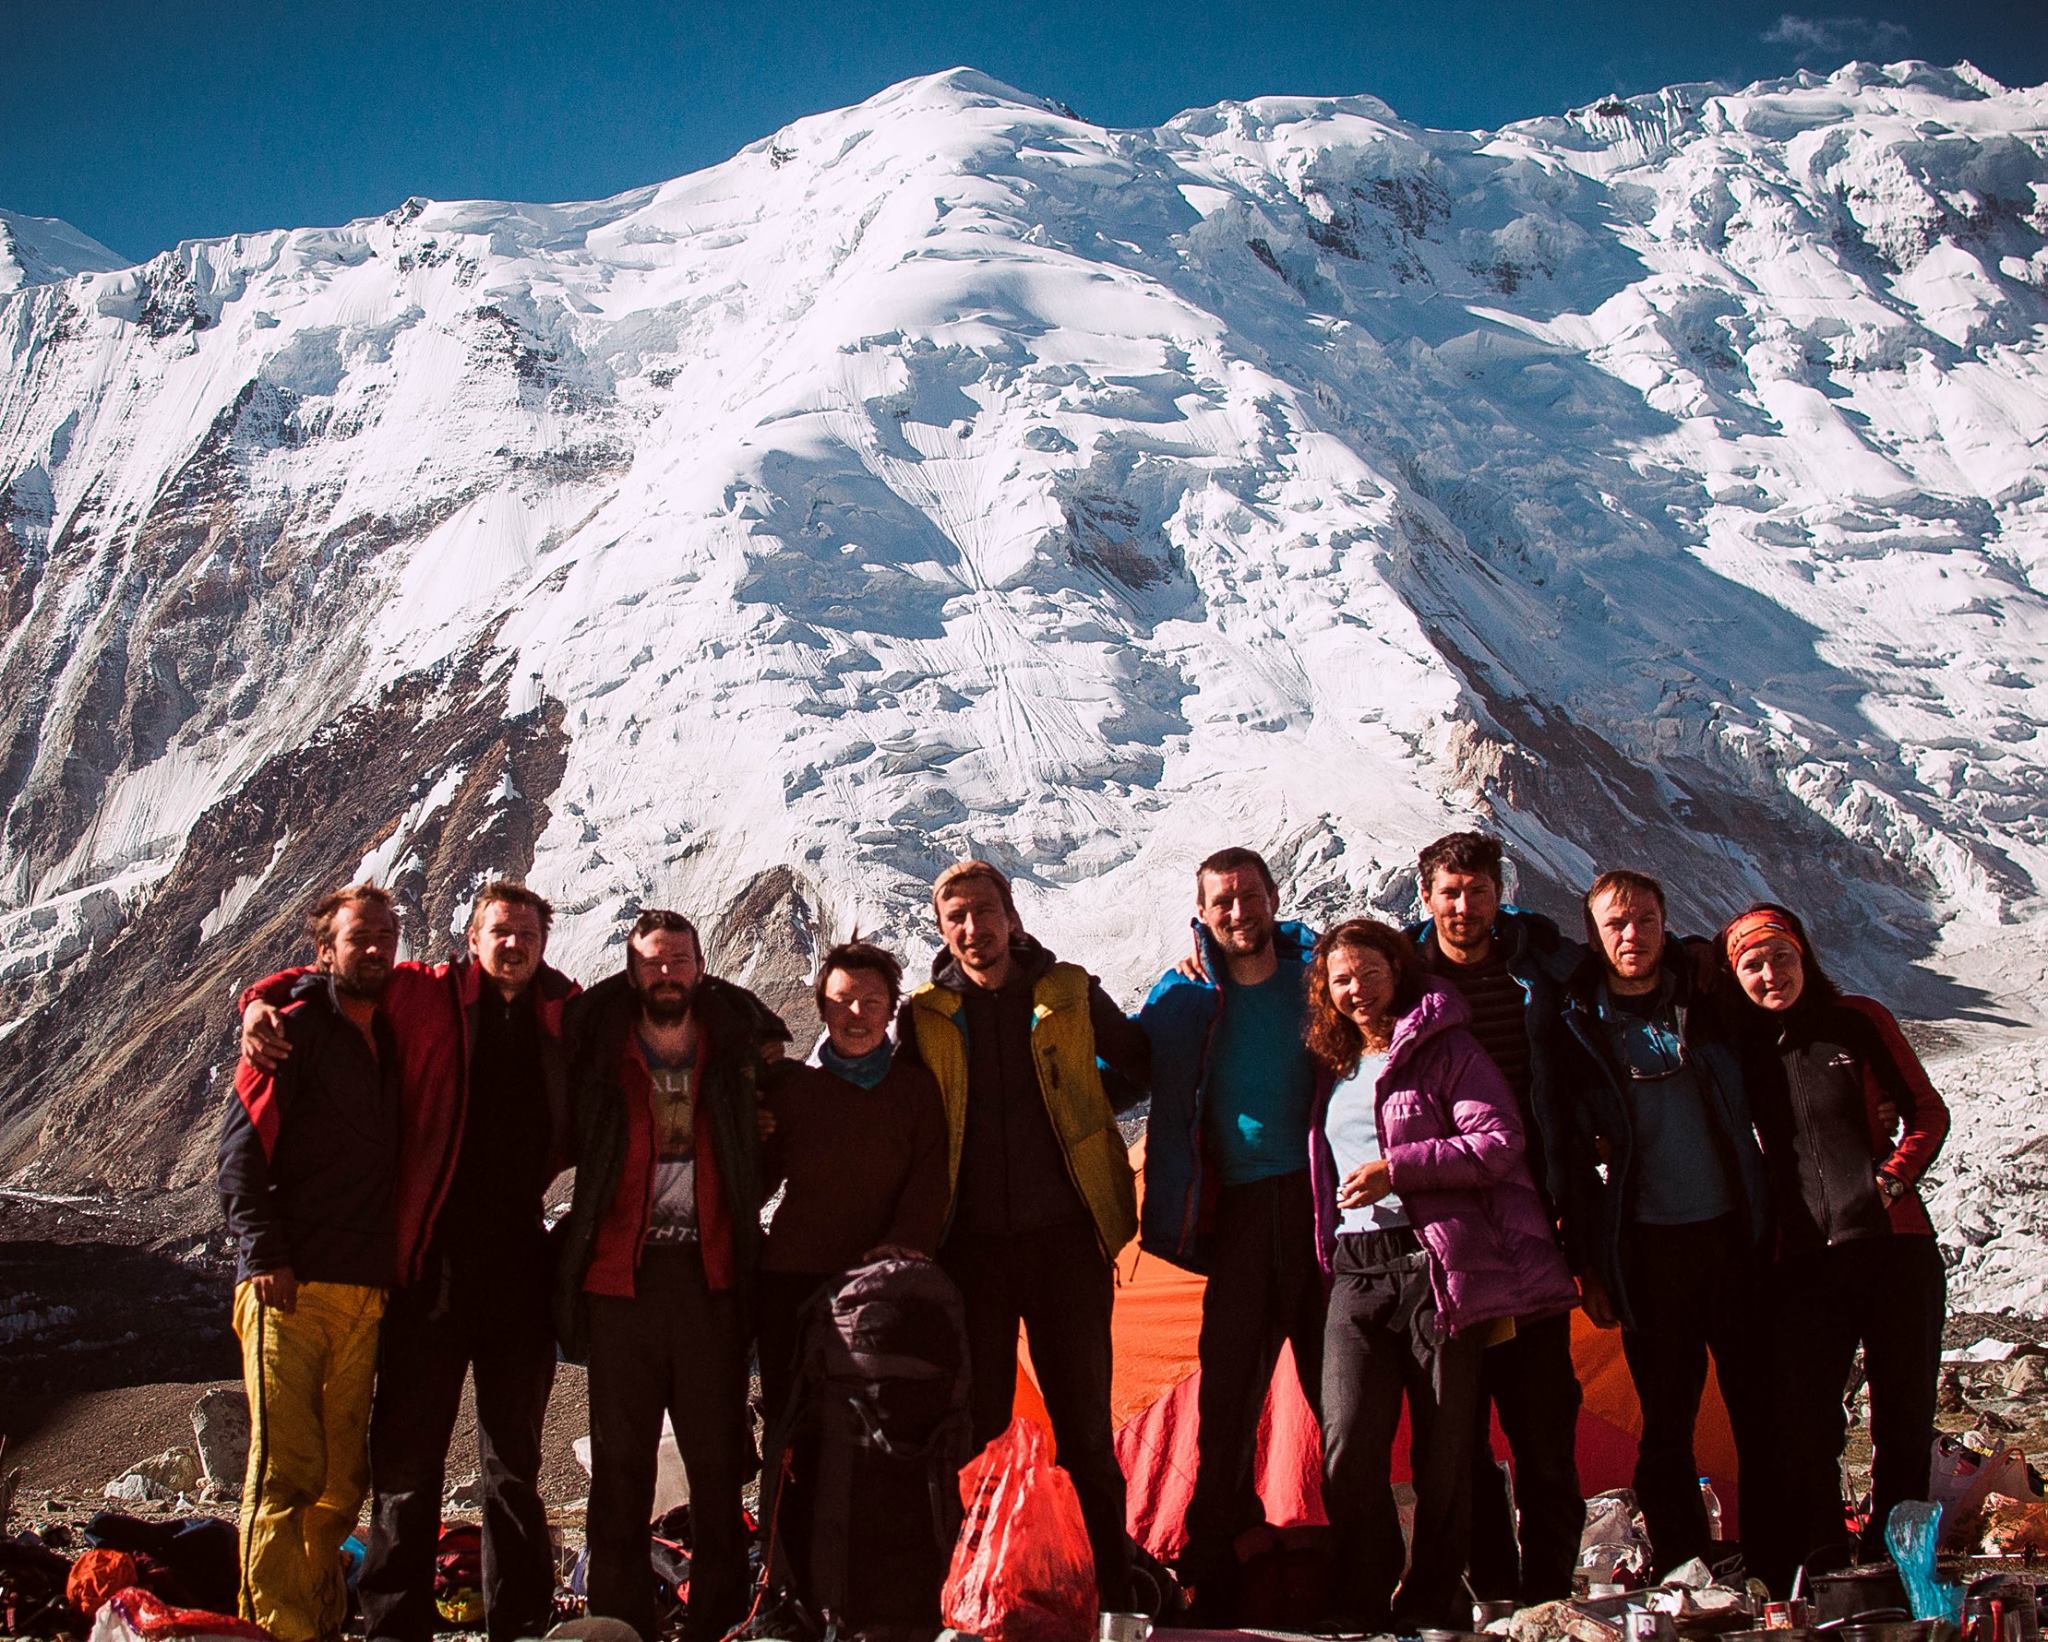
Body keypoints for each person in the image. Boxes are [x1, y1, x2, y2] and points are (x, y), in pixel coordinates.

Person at [240, 881, 577, 1642]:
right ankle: (394, 1624)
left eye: (527, 933)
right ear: (473, 937)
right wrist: (256, 1003)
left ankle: (520, 1622)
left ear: (543, 941)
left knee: (514, 1460)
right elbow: (329, 978)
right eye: (500, 932)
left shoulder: (565, 1008)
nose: (514, 946)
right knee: (407, 1460)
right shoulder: (425, 994)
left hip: (521, 1262)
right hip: (431, 1263)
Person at [896, 860, 1151, 1610]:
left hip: (1066, 1243)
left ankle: (1110, 1595)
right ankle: (985, 1589)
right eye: (957, 919)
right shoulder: (928, 1014)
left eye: (984, 912)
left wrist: (1087, 1109)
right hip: (969, 1252)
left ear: (1011, 915)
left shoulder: (1067, 991)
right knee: (979, 1431)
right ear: (942, 932)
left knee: (1084, 1430)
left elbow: (1138, 1060)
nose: (974, 930)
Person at [552, 909, 789, 1642]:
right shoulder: (599, 1043)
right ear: (632, 969)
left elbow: (772, 1138)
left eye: (678, 961)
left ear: (700, 965)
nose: (665, 974)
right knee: (621, 1465)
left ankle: (718, 1618)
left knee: (717, 1461)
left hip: (710, 1274)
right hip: (623, 1277)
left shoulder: (735, 1043)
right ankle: (619, 1620)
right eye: (653, 962)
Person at [1715, 904, 1950, 1582]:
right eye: (1752, 966)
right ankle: (1823, 1560)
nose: (1769, 975)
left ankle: (1898, 1563)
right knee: (1806, 1419)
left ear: (1803, 957)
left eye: (1780, 958)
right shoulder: (1741, 1050)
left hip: (1894, 1250)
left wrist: (1893, 1178)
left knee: (1903, 1420)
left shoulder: (1859, 1020)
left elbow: (1926, 1112)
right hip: (1806, 1264)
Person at [1555, 870, 1772, 1577]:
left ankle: (1780, 1556)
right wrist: (1589, 1264)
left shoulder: (1706, 1001)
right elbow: (1572, 1162)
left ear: (1664, 924)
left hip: (1732, 1238)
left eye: (1645, 920)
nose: (1631, 935)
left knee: (1761, 1411)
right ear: (1594, 934)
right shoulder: (1577, 1026)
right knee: (1668, 1423)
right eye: (1616, 923)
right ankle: (1688, 1564)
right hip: (1648, 1250)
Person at [1138, 846, 1324, 1620]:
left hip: (1320, 1207)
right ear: (1203, 912)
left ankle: (1362, 1562)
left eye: (1250, 896)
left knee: (1340, 1396)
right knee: (1226, 1398)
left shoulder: (1317, 974)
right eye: (1223, 902)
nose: (1239, 912)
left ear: (1275, 898)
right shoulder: (1184, 993)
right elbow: (1128, 1061)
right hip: (1239, 1213)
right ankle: (1215, 1566)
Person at [217, 884, 402, 1642]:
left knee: (339, 1483)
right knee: (284, 1472)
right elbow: (237, 1156)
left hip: (363, 1289)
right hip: (288, 1290)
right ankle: (274, 1628)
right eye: (360, 937)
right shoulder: (291, 1029)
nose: (376, 949)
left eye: (387, 936)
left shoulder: (391, 1031)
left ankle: (318, 1620)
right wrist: (265, 1257)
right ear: (326, 950)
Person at [1407, 832, 1588, 1604]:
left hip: (1535, 1221)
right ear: (1426, 898)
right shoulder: (1402, 980)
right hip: (1444, 1235)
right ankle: (1495, 1588)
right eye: (1449, 891)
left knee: (1545, 1422)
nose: (1463, 905)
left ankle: (1549, 1589)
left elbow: (1636, 961)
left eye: (1477, 890)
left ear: (1498, 893)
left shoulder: (1542, 967)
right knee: (1460, 1432)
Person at [756, 939, 949, 1429]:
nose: (856, 1014)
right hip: (793, 1285)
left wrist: (904, 1245)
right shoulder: (792, 1088)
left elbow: (930, 1176)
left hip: (886, 1283)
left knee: (880, 1431)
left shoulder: (916, 1089)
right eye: (842, 1000)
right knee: (794, 1423)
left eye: (872, 1002)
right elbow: (755, 1179)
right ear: (822, 1007)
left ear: (892, 1011)